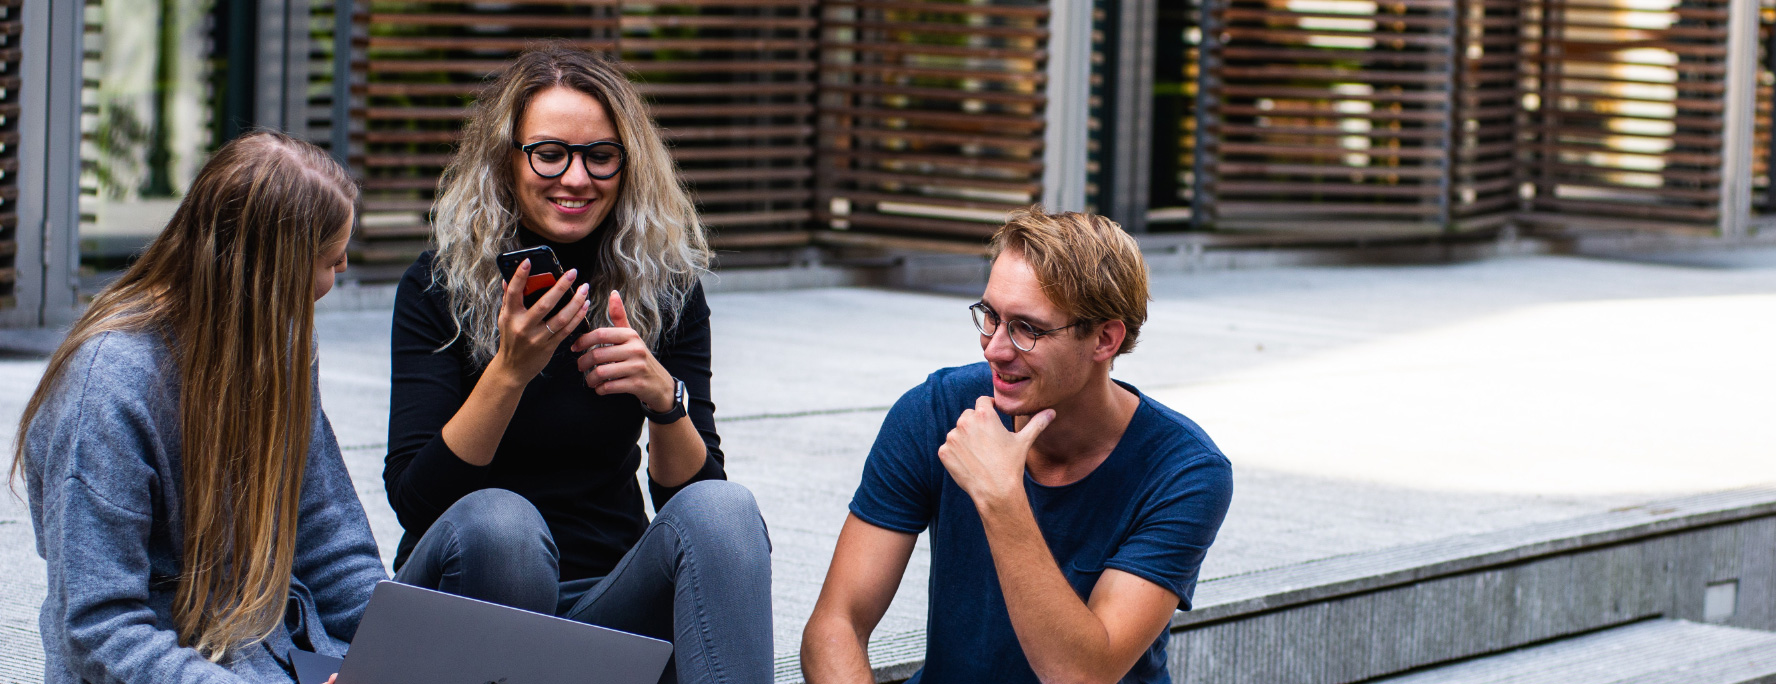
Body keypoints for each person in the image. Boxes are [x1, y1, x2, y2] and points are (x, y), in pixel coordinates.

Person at [383, 46, 771, 684]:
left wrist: (662, 398)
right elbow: (417, 502)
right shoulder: (438, 286)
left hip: (606, 602)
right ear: (507, 161)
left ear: (627, 165)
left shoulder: (661, 288)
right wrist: (508, 372)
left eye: (599, 156)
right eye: (550, 153)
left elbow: (691, 499)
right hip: (471, 600)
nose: (575, 178)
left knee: (724, 511)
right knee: (504, 525)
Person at [13, 131, 387, 683]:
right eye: (330, 261)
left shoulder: (279, 342)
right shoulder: (108, 387)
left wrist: (388, 652)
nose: (345, 268)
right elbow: (100, 628)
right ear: (270, 273)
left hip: (283, 646)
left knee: (489, 536)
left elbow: (328, 537)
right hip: (179, 667)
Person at [800, 209, 1235, 684]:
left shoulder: (1185, 472)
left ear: (1104, 339)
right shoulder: (937, 410)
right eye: (990, 316)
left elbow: (1081, 675)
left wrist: (1001, 496)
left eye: (1027, 328)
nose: (995, 349)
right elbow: (836, 623)